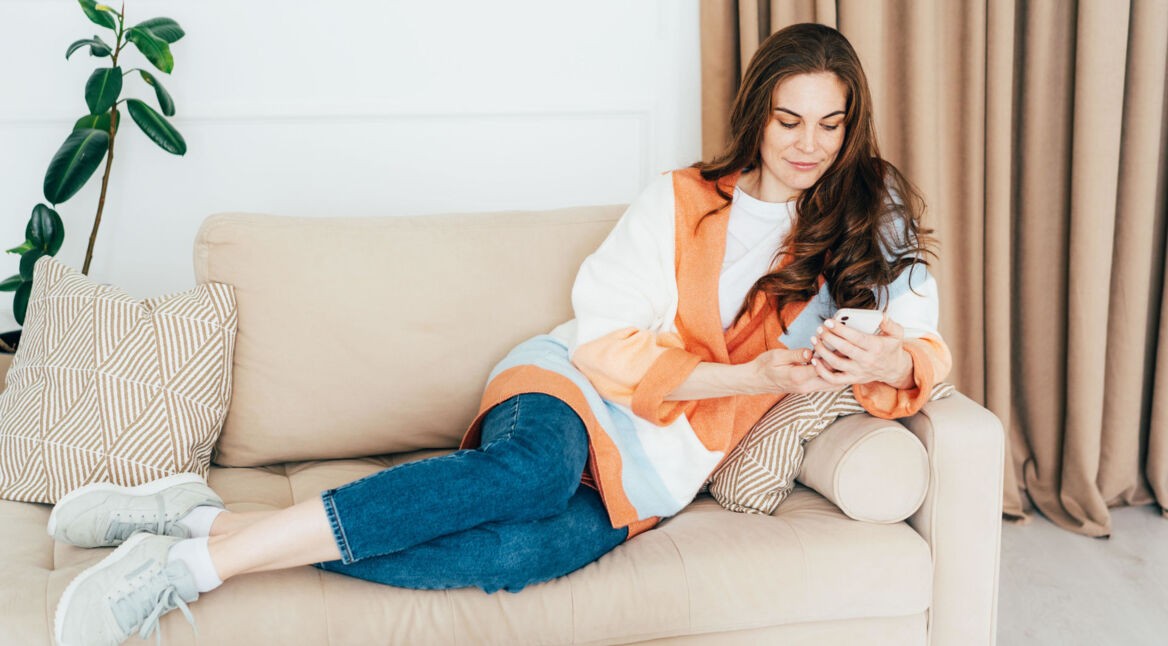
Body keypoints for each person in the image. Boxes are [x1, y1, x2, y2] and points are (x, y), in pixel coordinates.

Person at [51, 22, 950, 646]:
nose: (810, 146)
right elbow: (604, 344)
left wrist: (884, 356)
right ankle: (198, 565)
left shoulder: (872, 211)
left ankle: (194, 517)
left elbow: (925, 349)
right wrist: (751, 381)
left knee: (525, 551)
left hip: (656, 468)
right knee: (531, 475)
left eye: (830, 125)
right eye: (790, 120)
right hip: (569, 386)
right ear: (756, 113)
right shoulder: (680, 200)